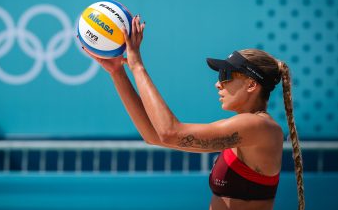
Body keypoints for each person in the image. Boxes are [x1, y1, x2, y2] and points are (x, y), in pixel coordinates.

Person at [81, 15, 305, 210]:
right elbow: (154, 136)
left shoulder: (260, 127)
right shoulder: (246, 127)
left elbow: (169, 132)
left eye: (226, 75)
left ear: (251, 84)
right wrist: (117, 72)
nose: (218, 84)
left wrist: (137, 65)